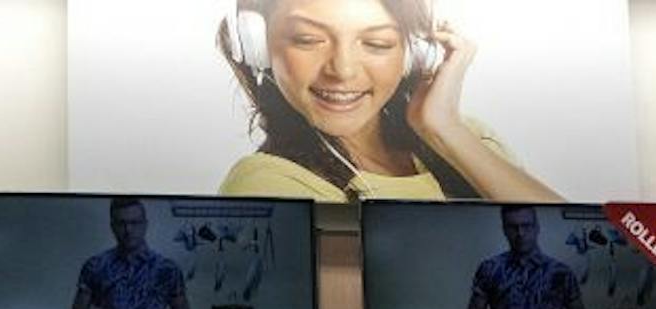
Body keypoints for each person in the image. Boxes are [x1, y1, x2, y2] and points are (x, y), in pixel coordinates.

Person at [217, 0, 561, 202]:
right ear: (255, 46)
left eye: (377, 44)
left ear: (415, 53)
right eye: (308, 40)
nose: (343, 70)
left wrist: (446, 130)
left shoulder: (467, 137)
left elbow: (581, 251)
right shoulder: (262, 185)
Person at [467, 205, 591, 309]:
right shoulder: (490, 269)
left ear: (537, 227)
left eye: (526, 226)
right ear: (504, 229)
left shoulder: (561, 272)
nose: (520, 233)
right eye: (513, 227)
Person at [71, 198, 192, 309]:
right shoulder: (95, 266)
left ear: (145, 224)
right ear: (112, 226)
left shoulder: (167, 269)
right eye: (122, 224)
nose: (128, 230)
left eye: (134, 223)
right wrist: (105, 305)